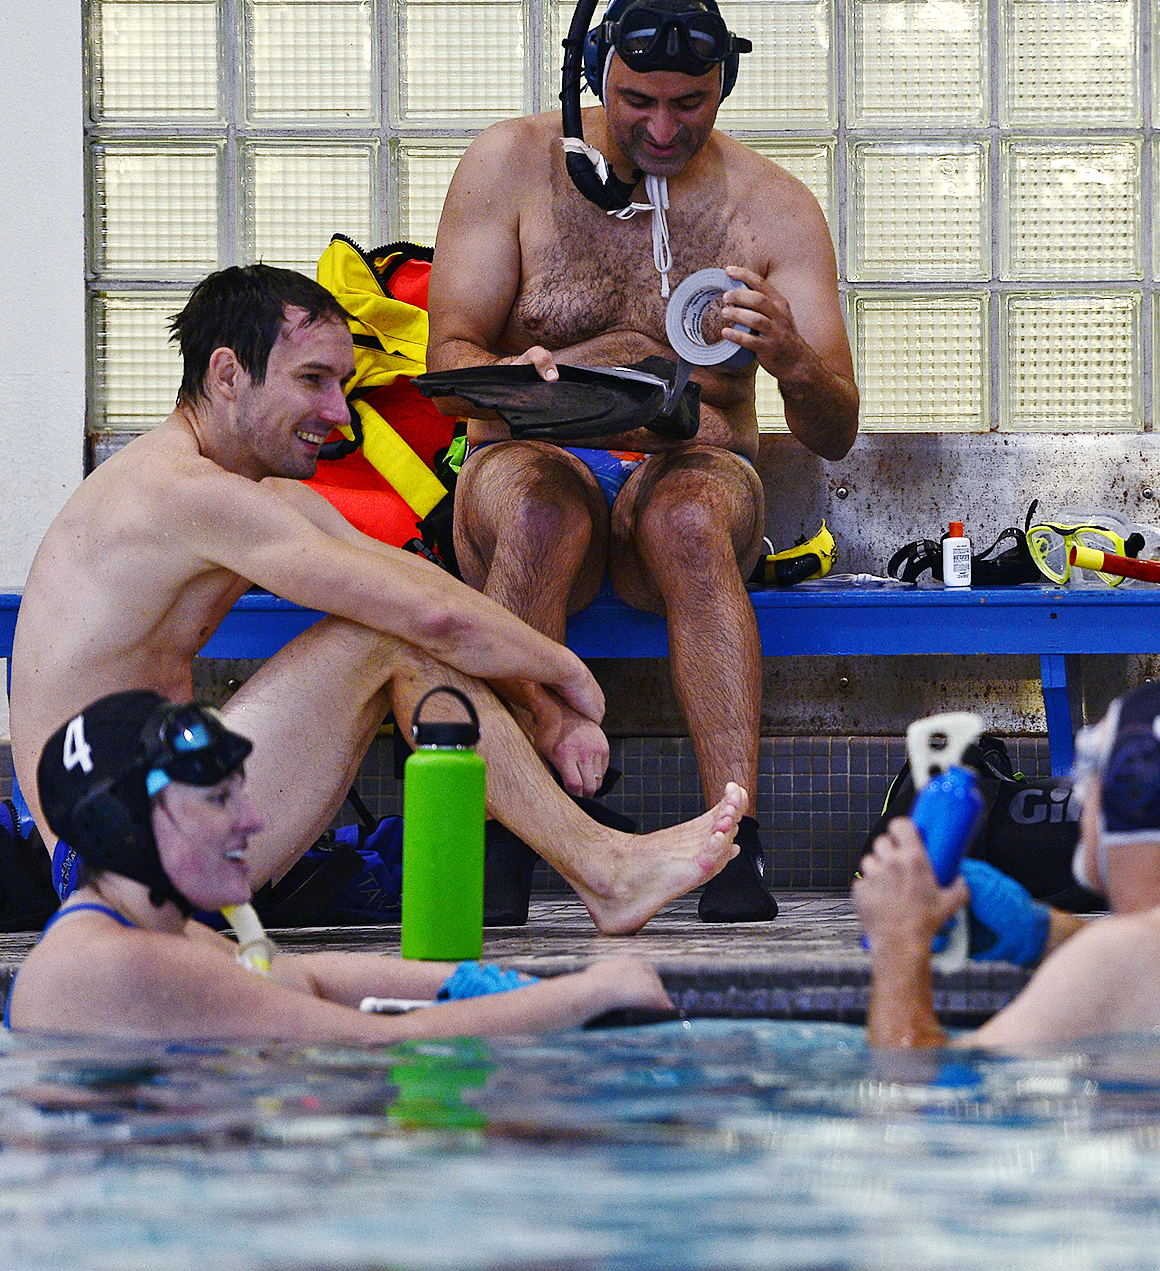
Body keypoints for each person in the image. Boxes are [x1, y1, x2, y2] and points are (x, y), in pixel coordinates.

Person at [8, 264, 740, 937]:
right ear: (228, 373)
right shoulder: (183, 493)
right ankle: (604, 868)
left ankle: (603, 866)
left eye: (342, 383)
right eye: (315, 380)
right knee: (384, 637)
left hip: (162, 822)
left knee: (390, 628)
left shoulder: (254, 491)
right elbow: (428, 618)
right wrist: (567, 678)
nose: (340, 413)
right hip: (108, 862)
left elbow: (413, 582)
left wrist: (546, 714)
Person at [426, 0, 859, 925]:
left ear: (722, 90)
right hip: (534, 457)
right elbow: (449, 357)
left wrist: (790, 356)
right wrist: (531, 382)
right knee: (539, 513)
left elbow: (833, 433)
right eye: (637, 103)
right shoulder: (510, 165)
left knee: (695, 522)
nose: (663, 130)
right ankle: (507, 832)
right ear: (593, 73)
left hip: (689, 467)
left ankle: (733, 841)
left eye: (689, 105)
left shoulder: (771, 206)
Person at [6, 691, 674, 1038]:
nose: (251, 818)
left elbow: (310, 979)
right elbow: (363, 1042)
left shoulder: (153, 930)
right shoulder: (119, 962)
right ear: (122, 826)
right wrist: (585, 993)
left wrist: (495, 983)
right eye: (217, 797)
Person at [852, 677, 1160, 1050]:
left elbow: (917, 1095)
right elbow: (1157, 972)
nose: (1079, 793)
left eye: (1090, 769)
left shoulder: (1121, 952)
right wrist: (1041, 933)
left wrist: (900, 946)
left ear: (1134, 793)